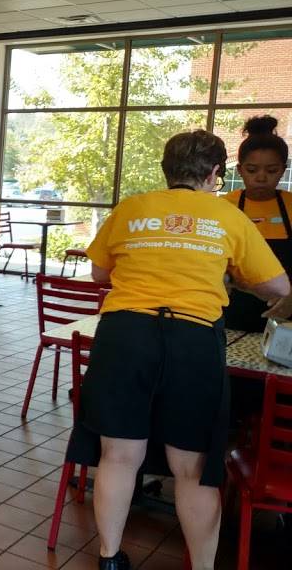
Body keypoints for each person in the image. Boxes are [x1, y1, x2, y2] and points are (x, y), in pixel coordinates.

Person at [67, 130, 290, 570]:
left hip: (123, 335)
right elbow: (280, 286)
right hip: (193, 340)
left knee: (118, 456)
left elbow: (98, 274)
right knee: (193, 468)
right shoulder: (227, 216)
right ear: (215, 173)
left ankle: (110, 559)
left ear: (166, 170)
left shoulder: (132, 208)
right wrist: (234, 278)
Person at [223, 115, 292, 331]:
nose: (261, 178)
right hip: (232, 314)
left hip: (285, 316)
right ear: (240, 170)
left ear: (283, 169)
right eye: (252, 170)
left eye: (271, 171)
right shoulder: (224, 207)